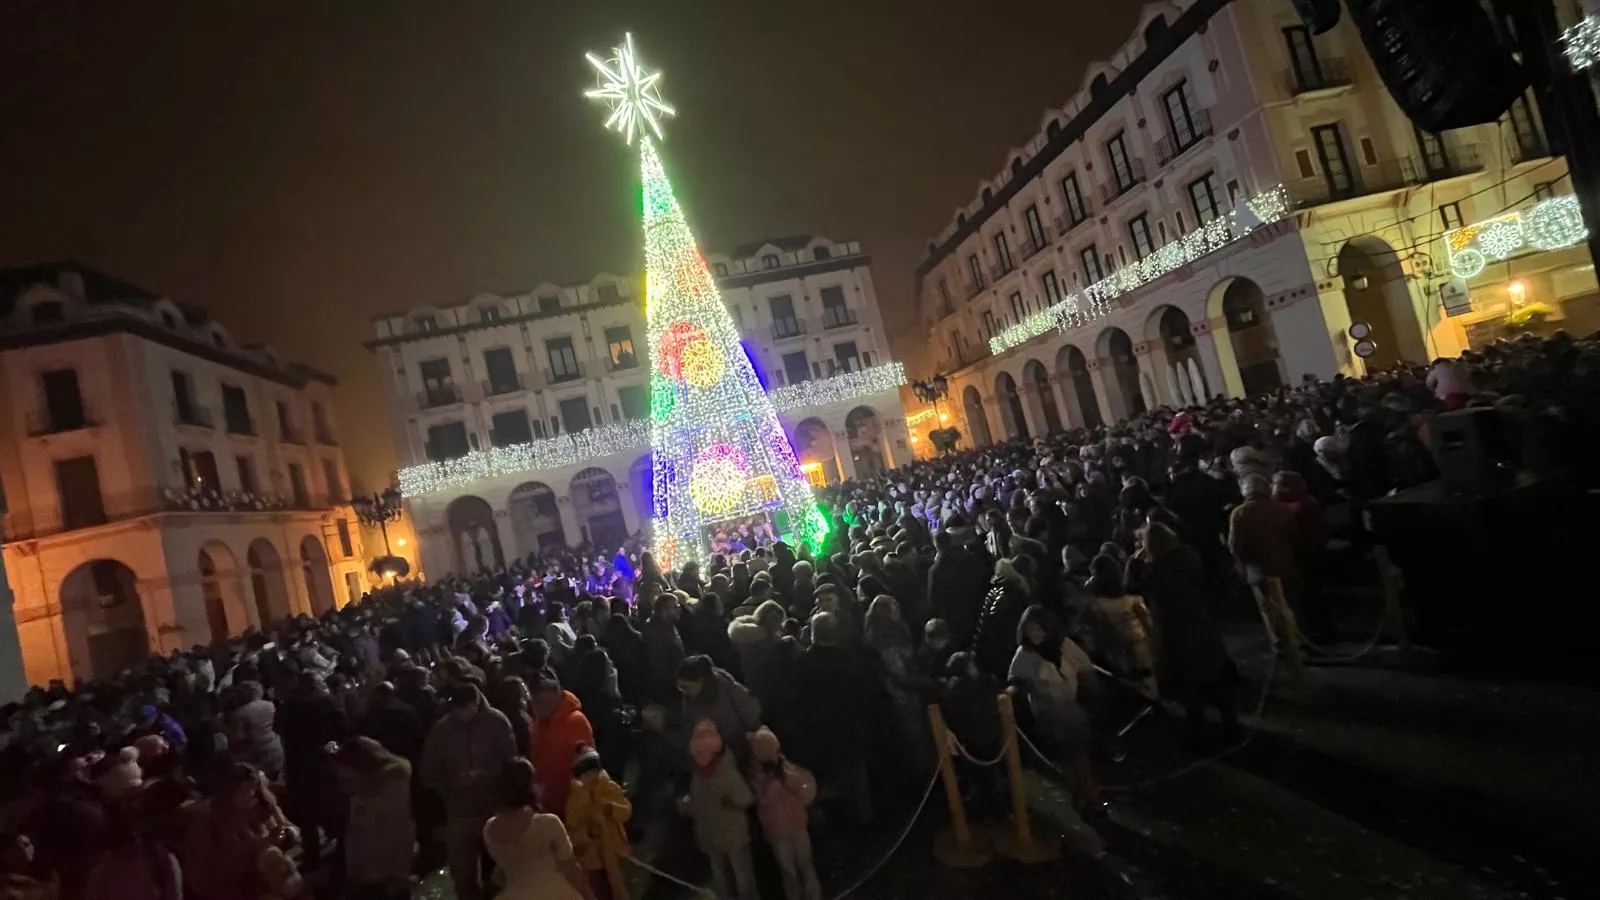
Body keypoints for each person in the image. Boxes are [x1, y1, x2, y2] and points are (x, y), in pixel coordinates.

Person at [1131, 522, 1241, 751]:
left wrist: (1135, 561)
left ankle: (1198, 738)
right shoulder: (1188, 556)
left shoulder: (1157, 573)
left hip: (1178, 635)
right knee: (1213, 681)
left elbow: (1132, 586)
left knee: (1190, 689)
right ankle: (1232, 727)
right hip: (1200, 626)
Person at [421, 682, 517, 900]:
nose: (463, 715)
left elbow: (511, 763)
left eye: (467, 709)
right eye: (458, 710)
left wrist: (488, 775)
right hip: (459, 811)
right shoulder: (441, 730)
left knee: (503, 870)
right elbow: (428, 771)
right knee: (463, 873)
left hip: (495, 807)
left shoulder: (497, 722)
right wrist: (450, 783)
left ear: (476, 702)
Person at [1008, 605, 1102, 816]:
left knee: (1079, 758)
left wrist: (1089, 698)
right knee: (1067, 760)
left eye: (1040, 629)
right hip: (1048, 717)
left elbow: (1086, 671)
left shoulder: (1065, 646)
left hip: (1072, 713)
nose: (1035, 634)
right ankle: (1082, 797)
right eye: (1031, 629)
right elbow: (1017, 680)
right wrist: (1007, 697)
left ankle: (1090, 801)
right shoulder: (1025, 655)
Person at [1228, 474, 1305, 680]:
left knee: (1270, 609)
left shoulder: (1240, 513)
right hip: (1285, 564)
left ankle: (1282, 645)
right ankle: (1297, 638)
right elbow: (1295, 535)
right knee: (1289, 602)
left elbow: (1236, 546)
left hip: (1260, 570)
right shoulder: (1280, 509)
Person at [482, 759, 594, 900]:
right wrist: (590, 897)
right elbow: (572, 869)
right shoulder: (547, 823)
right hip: (556, 893)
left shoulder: (489, 829)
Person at [332, 737, 415, 899]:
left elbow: (401, 833)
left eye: (349, 779)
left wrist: (399, 875)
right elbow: (355, 832)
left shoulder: (391, 789)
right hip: (369, 873)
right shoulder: (361, 790)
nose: (344, 786)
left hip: (387, 876)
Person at [683, 720, 758, 900]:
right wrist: (689, 806)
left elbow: (746, 798)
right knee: (721, 879)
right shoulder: (699, 775)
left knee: (742, 878)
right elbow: (699, 801)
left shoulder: (726, 773)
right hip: (710, 834)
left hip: (732, 835)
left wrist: (733, 803)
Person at [746, 727, 820, 900]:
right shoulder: (755, 773)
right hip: (777, 830)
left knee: (806, 865)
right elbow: (759, 798)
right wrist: (773, 783)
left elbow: (804, 787)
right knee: (789, 872)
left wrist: (788, 778)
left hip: (797, 824)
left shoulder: (785, 765)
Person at [564, 745, 631, 900]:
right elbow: (572, 831)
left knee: (619, 887)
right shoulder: (575, 800)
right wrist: (588, 831)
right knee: (598, 891)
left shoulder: (609, 788)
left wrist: (613, 809)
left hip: (615, 851)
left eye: (594, 770)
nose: (591, 776)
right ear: (579, 776)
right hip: (592, 859)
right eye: (586, 773)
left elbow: (626, 811)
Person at [528, 672, 596, 819]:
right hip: (547, 804)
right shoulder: (539, 724)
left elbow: (589, 770)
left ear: (556, 694)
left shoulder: (575, 722)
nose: (536, 708)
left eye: (541, 701)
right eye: (533, 702)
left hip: (572, 808)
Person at [675, 655, 762, 763]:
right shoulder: (689, 699)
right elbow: (688, 727)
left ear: (700, 681)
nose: (683, 692)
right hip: (713, 757)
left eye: (685, 687)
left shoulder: (728, 688)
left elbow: (749, 713)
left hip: (740, 747)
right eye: (680, 688)